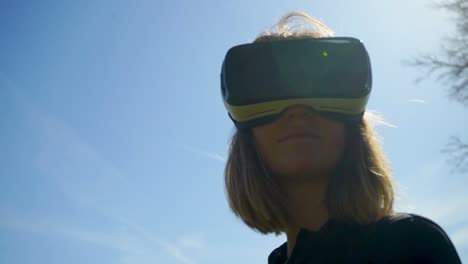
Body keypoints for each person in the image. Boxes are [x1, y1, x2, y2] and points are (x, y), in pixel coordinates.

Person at [220, 11, 462, 264]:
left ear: (353, 129)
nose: (298, 111)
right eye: (267, 88)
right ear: (247, 141)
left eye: (323, 86)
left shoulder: (411, 244)